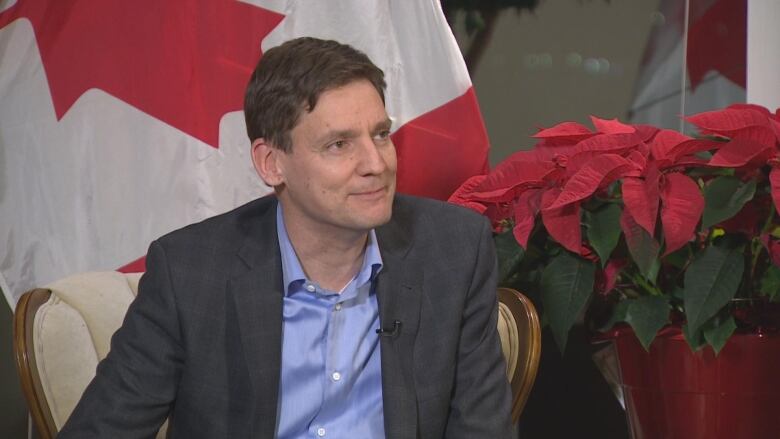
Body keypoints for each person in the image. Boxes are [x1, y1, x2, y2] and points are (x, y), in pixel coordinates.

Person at [59, 37, 513, 438]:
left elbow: (482, 428)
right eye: (339, 144)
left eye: (381, 134)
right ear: (271, 163)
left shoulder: (453, 250)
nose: (376, 163)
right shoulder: (191, 274)